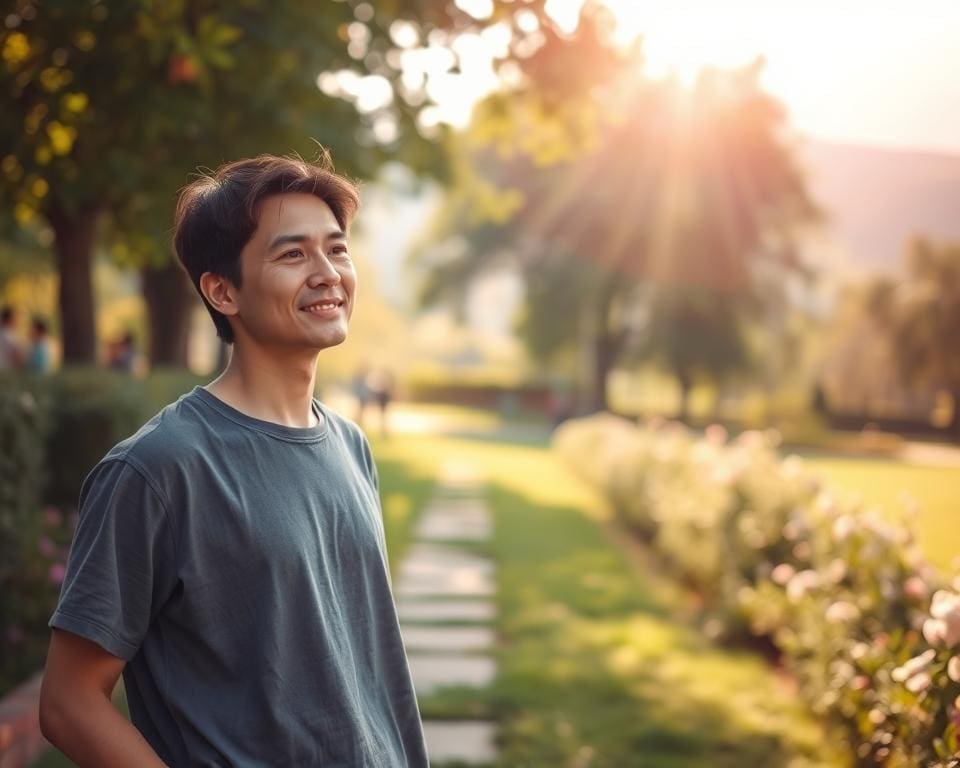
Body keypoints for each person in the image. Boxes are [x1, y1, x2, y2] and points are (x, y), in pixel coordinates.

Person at [39, 154, 429, 767]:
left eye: (337, 249)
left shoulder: (350, 445)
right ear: (223, 291)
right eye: (293, 254)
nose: (328, 273)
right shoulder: (158, 469)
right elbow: (69, 702)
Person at [0, 305, 24, 371]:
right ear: (9, 319)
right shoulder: (7, 335)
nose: (18, 321)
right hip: (6, 371)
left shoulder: (6, 333)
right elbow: (15, 355)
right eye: (15, 318)